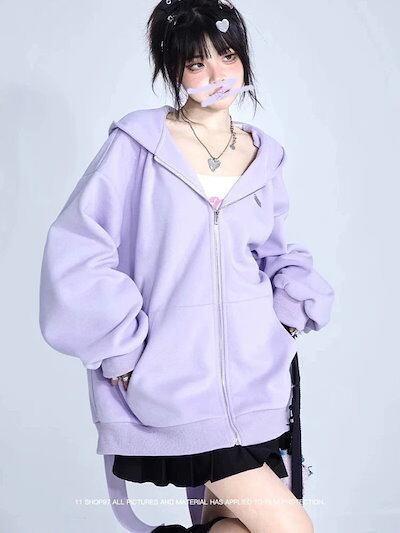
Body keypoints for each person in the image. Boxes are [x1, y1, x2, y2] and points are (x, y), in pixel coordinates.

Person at [39, 1, 334, 531]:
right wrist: (122, 350)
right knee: (292, 528)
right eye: (198, 63)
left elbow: (275, 252)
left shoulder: (264, 156)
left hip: (256, 384)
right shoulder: (139, 146)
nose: (218, 74)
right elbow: (78, 250)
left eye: (228, 56)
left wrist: (286, 319)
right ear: (174, 70)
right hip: (173, 388)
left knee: (233, 527)